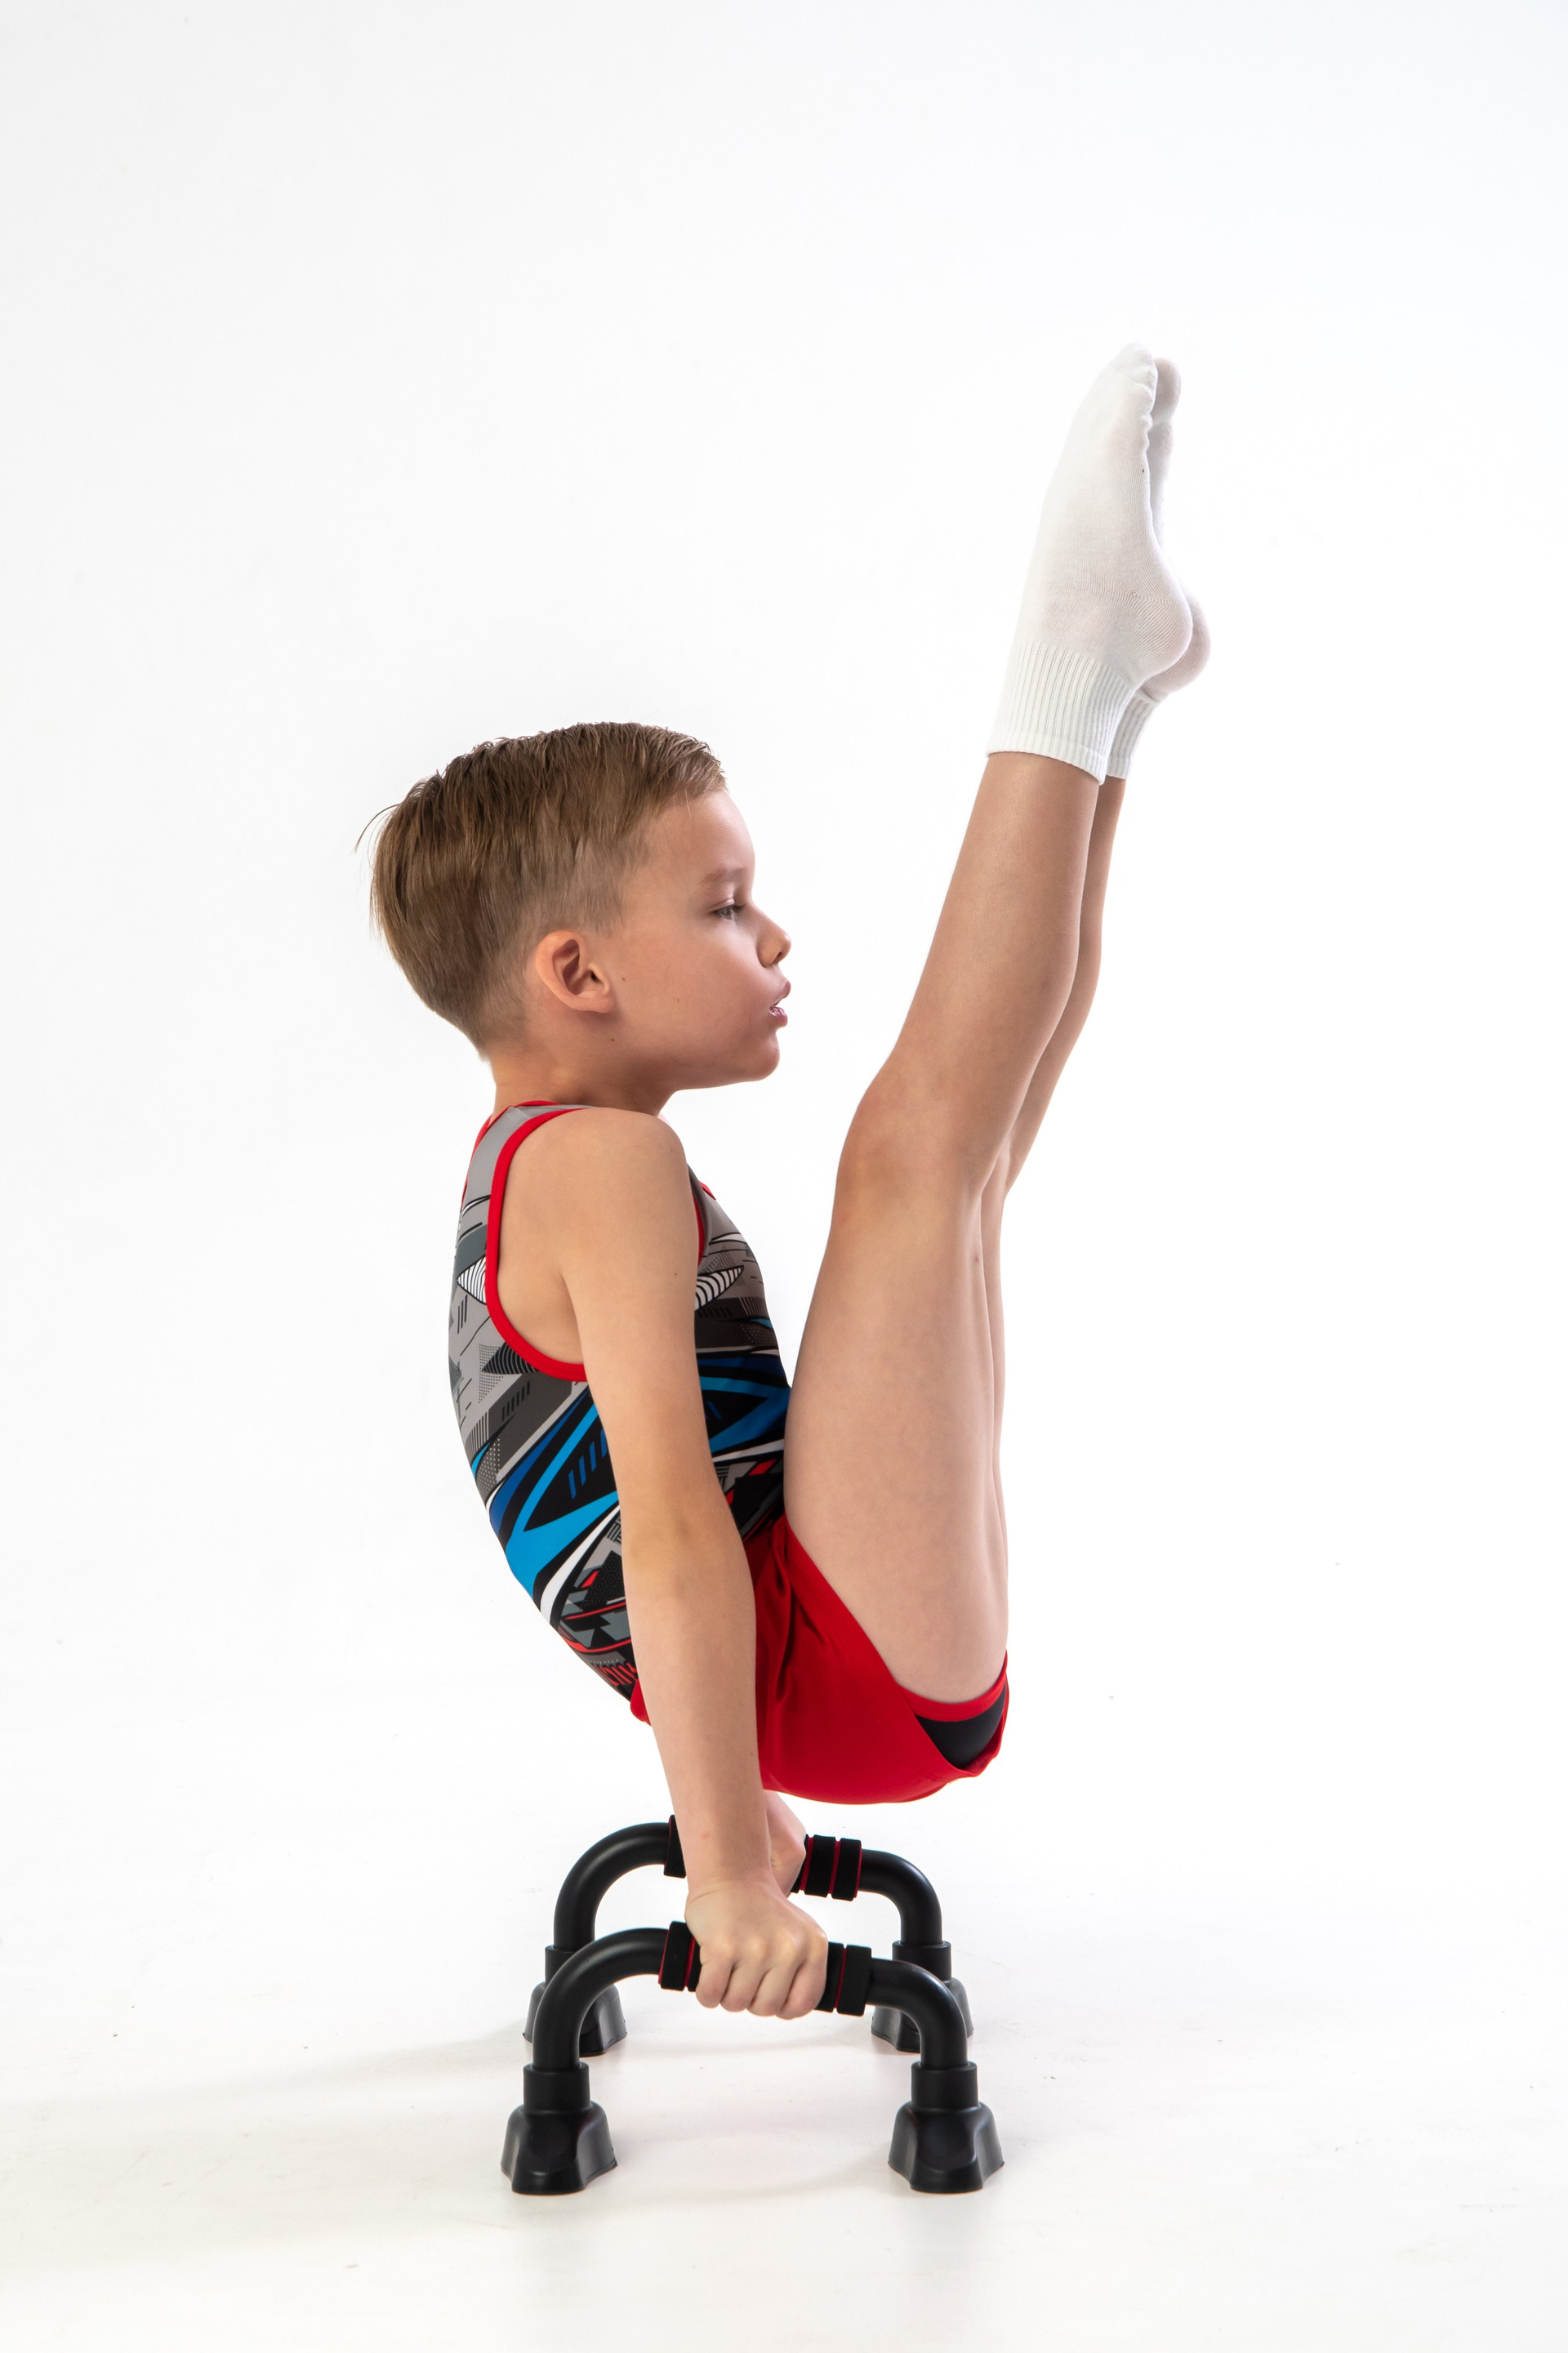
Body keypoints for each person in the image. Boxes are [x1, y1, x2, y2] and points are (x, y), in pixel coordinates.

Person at [369, 344, 1208, 2033]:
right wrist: (724, 1862)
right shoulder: (596, 1162)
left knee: (965, 1157)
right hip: (832, 1663)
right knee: (923, 1158)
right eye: (724, 906)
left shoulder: (549, 1162)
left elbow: (640, 1542)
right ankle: (1074, 668)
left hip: (825, 1655)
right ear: (578, 974)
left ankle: (1105, 694)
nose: (773, 939)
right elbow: (670, 1528)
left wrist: (735, 1805)